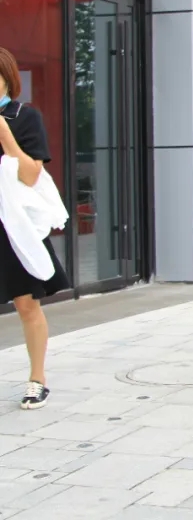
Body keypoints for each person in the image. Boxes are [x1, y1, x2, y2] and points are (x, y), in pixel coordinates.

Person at [0, 48, 69, 409]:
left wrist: (4, 133)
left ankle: (37, 378)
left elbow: (30, 174)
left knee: (26, 304)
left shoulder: (24, 117)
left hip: (13, 227)